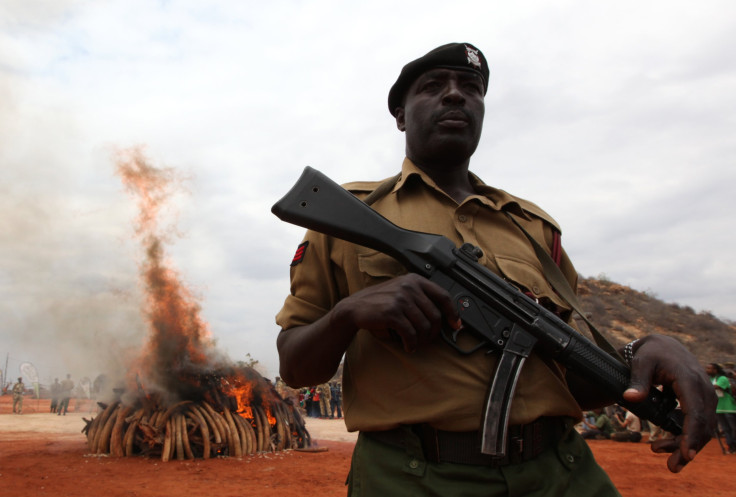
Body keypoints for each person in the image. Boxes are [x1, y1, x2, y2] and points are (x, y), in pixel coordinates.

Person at [275, 42, 716, 496]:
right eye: (433, 87)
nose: (455, 95)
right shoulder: (348, 216)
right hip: (414, 477)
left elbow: (565, 376)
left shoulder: (534, 230)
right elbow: (294, 365)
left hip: (560, 472)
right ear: (401, 116)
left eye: (472, 88)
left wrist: (642, 352)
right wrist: (348, 313)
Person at [705, 363, 736, 454]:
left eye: (709, 368)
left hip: (729, 407)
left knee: (733, 428)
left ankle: (734, 444)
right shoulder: (710, 379)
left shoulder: (722, 378)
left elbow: (715, 387)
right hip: (719, 407)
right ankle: (731, 446)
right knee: (726, 428)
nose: (707, 370)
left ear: (715, 370)